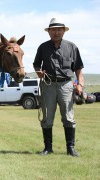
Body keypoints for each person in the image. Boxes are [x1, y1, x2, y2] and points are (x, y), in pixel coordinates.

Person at [33, 18, 84, 157]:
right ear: (49, 32)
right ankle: (48, 148)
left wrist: (80, 84)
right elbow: (36, 64)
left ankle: (71, 148)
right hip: (48, 84)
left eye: (59, 30)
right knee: (47, 118)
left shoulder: (72, 47)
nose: (57, 32)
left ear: (64, 31)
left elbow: (78, 68)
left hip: (66, 85)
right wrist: (39, 72)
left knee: (68, 117)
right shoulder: (42, 47)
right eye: (54, 30)